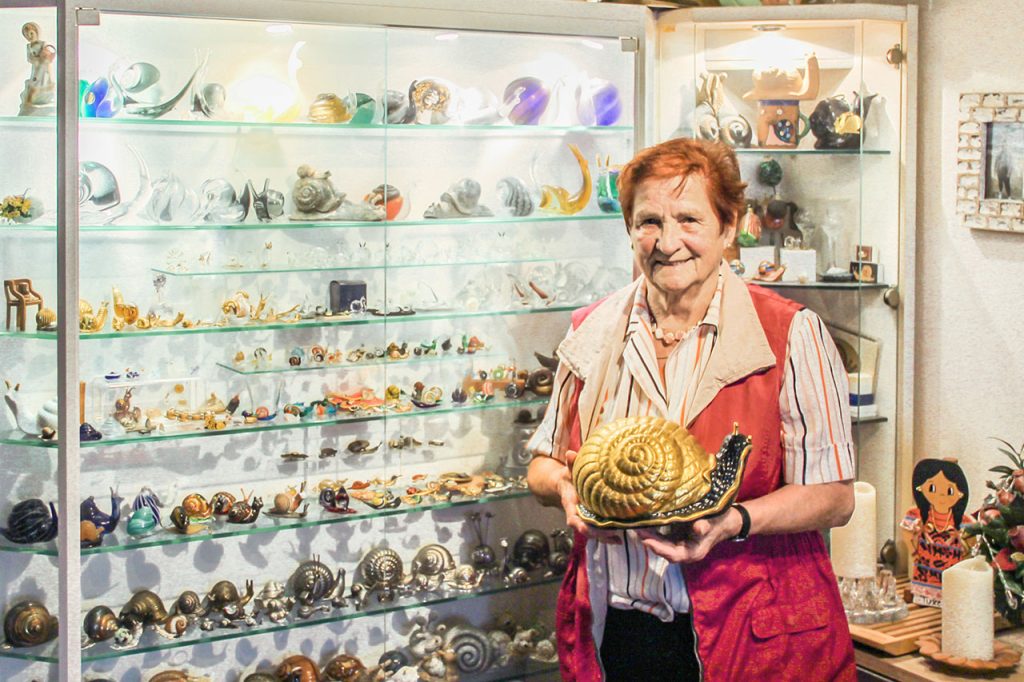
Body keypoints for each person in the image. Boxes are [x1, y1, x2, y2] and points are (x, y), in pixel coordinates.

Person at [526, 138, 857, 681]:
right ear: (629, 229)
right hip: (616, 632)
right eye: (649, 222)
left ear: (729, 228)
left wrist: (734, 522)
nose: (668, 242)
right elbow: (544, 461)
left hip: (753, 634)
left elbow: (835, 497)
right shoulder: (591, 330)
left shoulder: (790, 333)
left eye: (689, 219)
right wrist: (565, 488)